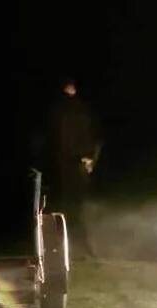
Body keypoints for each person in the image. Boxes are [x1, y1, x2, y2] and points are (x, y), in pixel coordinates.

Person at [43, 77, 102, 258]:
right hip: (68, 165)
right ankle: (72, 248)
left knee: (74, 208)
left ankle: (80, 248)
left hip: (74, 165)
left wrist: (89, 159)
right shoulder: (64, 112)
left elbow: (94, 139)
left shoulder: (77, 112)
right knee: (68, 208)